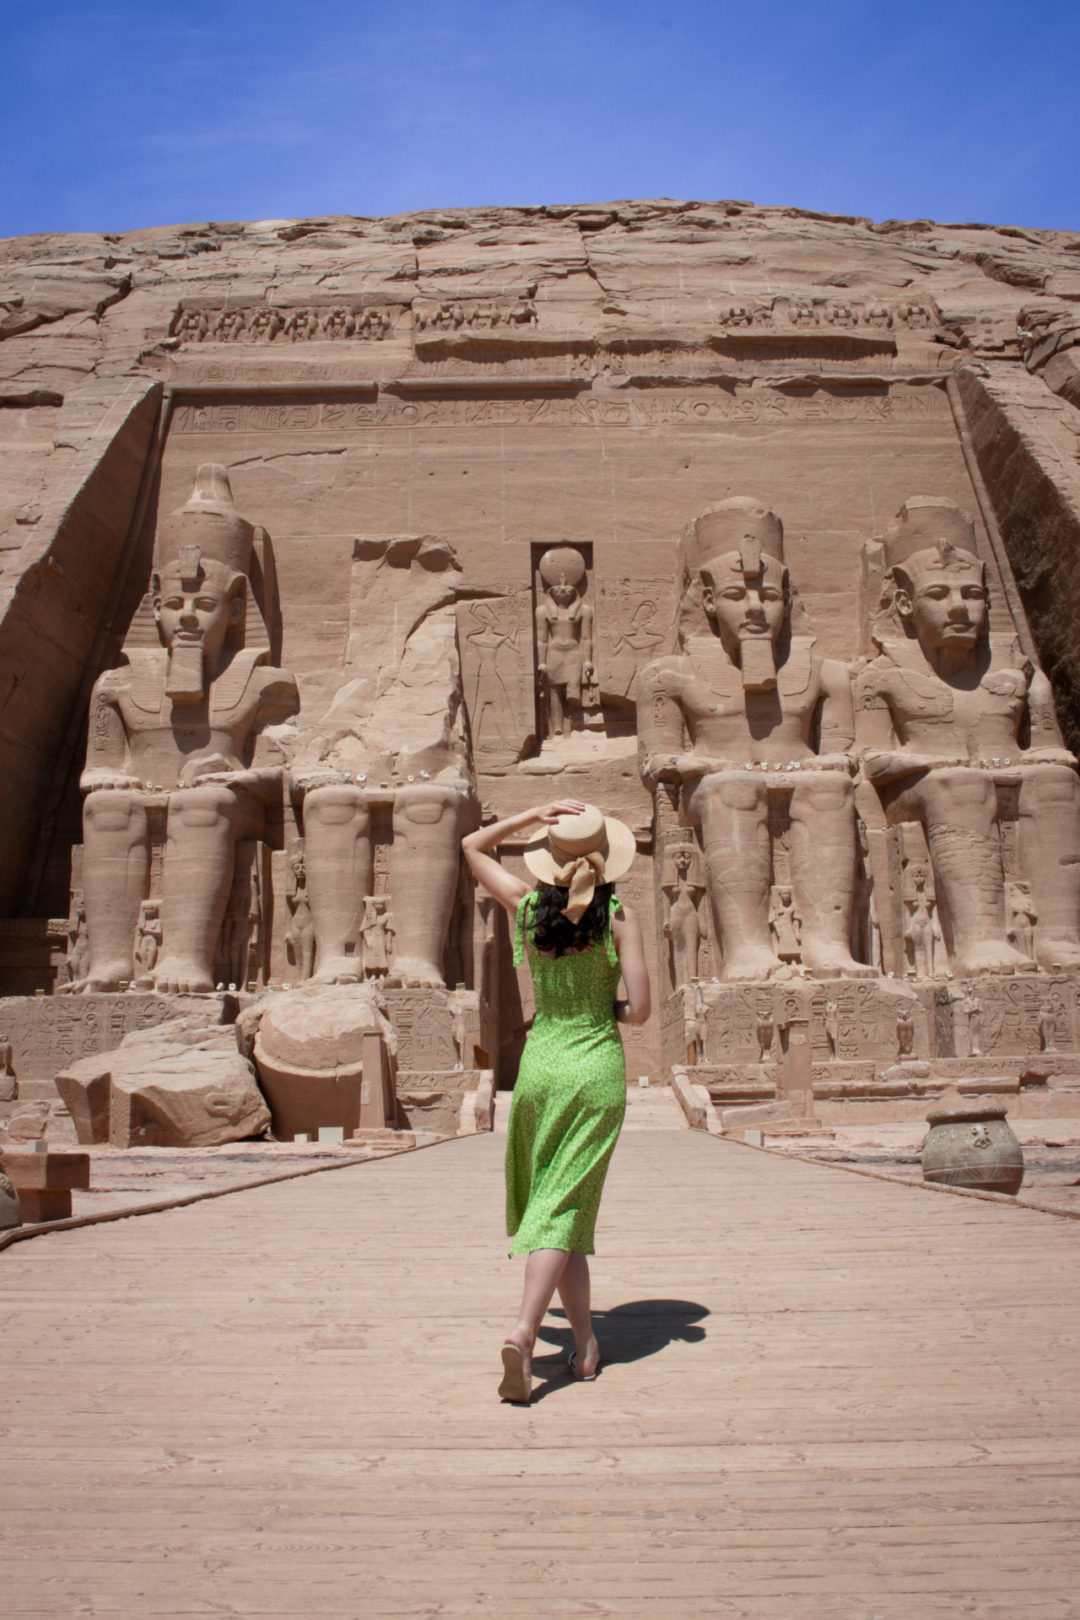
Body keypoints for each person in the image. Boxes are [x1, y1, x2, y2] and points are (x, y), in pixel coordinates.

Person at [462, 800, 650, 1405]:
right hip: (594, 1067)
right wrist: (606, 1011)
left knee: (562, 1202)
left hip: (542, 1065)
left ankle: (587, 1345)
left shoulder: (524, 907)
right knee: (564, 1203)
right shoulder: (618, 915)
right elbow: (641, 1010)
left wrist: (530, 815)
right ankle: (523, 1329)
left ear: (548, 860)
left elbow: (470, 846)